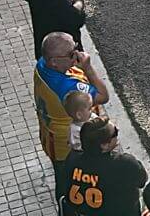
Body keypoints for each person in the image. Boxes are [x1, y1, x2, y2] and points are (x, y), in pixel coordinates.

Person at [35, 32, 111, 201]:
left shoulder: (41, 65)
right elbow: (103, 96)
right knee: (68, 184)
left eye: (76, 47)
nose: (76, 55)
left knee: (61, 176)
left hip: (50, 136)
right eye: (71, 54)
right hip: (69, 145)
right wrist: (88, 68)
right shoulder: (67, 87)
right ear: (54, 61)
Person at [62, 118, 146, 216]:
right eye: (115, 132)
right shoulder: (125, 163)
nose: (118, 129)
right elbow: (141, 181)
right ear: (104, 145)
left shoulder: (72, 159)